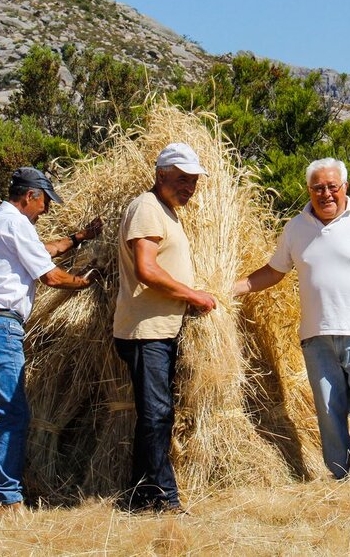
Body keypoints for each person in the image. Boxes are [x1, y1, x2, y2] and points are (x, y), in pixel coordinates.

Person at [0, 167, 103, 509]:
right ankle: (7, 497)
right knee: (14, 414)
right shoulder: (17, 224)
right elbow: (52, 278)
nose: (47, 211)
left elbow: (44, 249)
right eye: (45, 204)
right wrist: (89, 280)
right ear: (30, 196)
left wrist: (78, 238)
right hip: (0, 329)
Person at [233, 158, 350, 483]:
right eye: (318, 188)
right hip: (316, 338)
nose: (326, 194)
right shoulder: (296, 229)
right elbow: (273, 272)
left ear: (344, 187)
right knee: (328, 411)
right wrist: (230, 288)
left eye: (332, 187)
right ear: (309, 190)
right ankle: (339, 478)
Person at [113, 143, 218, 513]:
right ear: (160, 175)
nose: (189, 187)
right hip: (145, 332)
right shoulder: (147, 209)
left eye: (193, 181)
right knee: (157, 415)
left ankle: (140, 498)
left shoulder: (166, 212)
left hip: (159, 330)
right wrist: (193, 295)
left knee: (156, 415)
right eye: (181, 180)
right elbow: (147, 268)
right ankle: (164, 499)